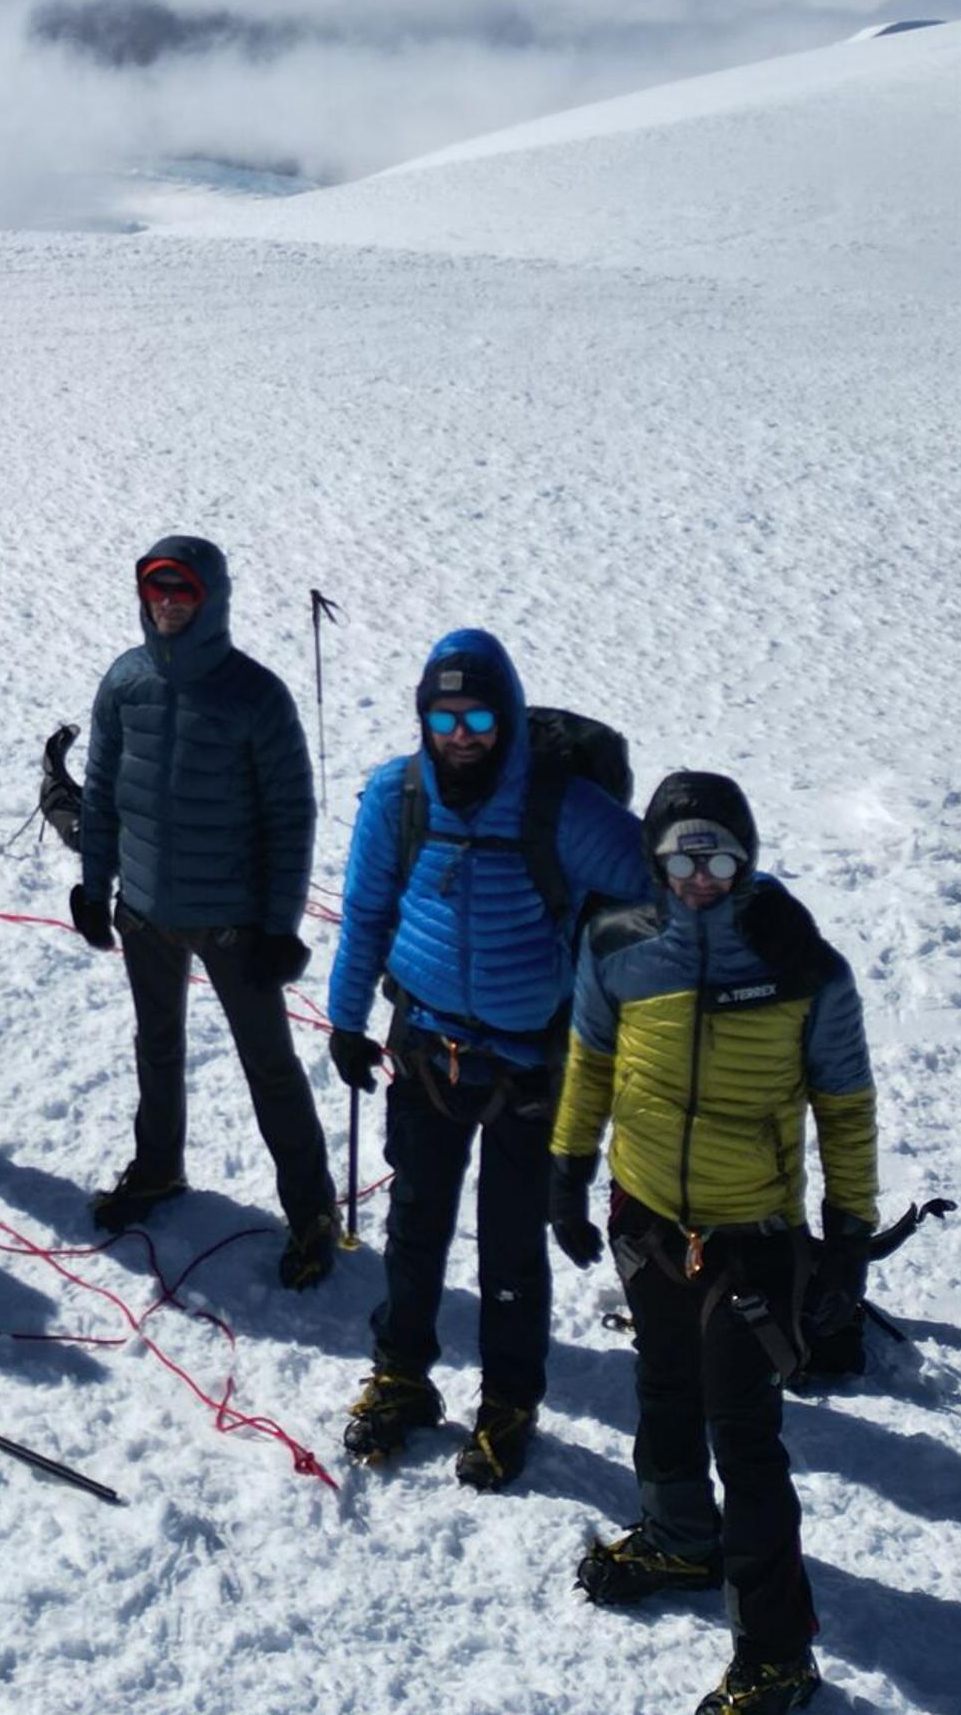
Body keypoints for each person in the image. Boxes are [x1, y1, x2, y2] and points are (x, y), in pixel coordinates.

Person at [551, 771, 876, 1715]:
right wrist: (569, 1167)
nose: (700, 875)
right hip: (648, 1217)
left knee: (746, 1436)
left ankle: (776, 1654)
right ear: (652, 859)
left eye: (720, 856)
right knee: (661, 1387)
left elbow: (845, 1109)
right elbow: (590, 1059)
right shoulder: (615, 945)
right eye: (681, 856)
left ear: (750, 858)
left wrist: (849, 1236)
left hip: (752, 1239)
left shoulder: (800, 964)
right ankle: (679, 1536)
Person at [320, 627, 646, 1487]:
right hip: (425, 1047)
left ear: (507, 715)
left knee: (510, 1247)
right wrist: (345, 1021)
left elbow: (665, 880)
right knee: (415, 1229)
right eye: (444, 715)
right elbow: (365, 916)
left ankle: (509, 1400)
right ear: (423, 717)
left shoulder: (562, 809)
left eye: (479, 716)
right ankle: (401, 1375)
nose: (461, 733)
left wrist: (749, 918)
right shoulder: (398, 797)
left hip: (532, 1067)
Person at [70, 536, 337, 1283]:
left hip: (233, 922)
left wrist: (279, 928)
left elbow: (291, 816)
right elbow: (100, 790)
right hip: (146, 908)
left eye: (181, 590)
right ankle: (158, 1169)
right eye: (156, 590)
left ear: (211, 598)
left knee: (269, 1066)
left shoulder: (255, 694)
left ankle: (312, 1210)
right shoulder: (125, 682)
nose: (167, 603)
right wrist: (96, 887)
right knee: (156, 1047)